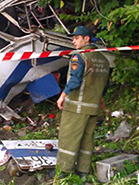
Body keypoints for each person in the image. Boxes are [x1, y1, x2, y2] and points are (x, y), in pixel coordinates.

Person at [56, 26, 110, 177]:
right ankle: (83, 172)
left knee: (68, 139)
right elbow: (105, 85)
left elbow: (75, 80)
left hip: (76, 108)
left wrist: (62, 96)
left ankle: (64, 173)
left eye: (77, 38)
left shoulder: (79, 56)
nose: (73, 41)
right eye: (73, 38)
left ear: (87, 39)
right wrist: (101, 99)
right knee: (87, 141)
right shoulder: (104, 60)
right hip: (93, 108)